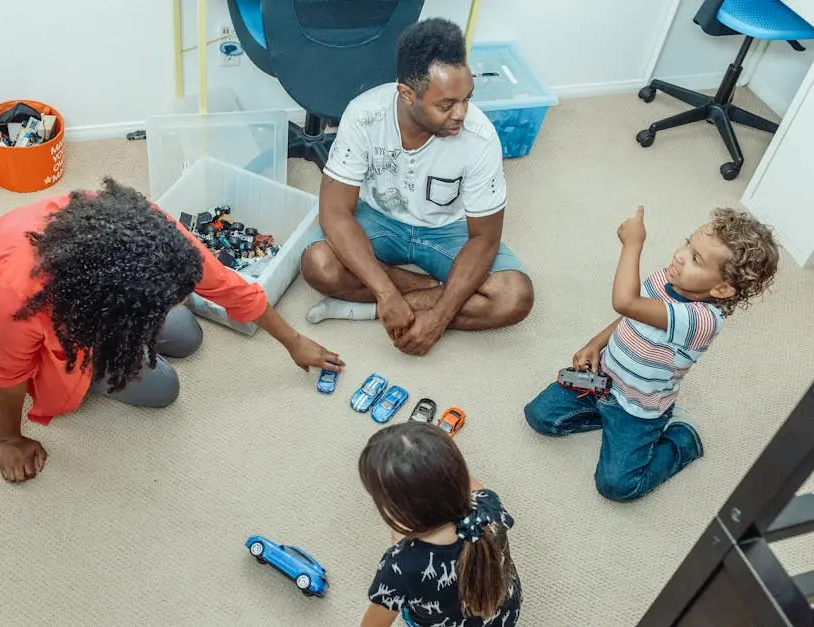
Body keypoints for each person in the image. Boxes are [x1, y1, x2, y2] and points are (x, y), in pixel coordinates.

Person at [0, 178, 344, 484]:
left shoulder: (148, 231)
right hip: (45, 322)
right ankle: (100, 356)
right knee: (163, 388)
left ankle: (127, 336)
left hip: (91, 299)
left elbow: (227, 286)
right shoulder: (19, 299)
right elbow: (8, 372)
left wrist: (293, 342)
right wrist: (8, 438)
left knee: (188, 335)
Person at [300, 18, 533, 356]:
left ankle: (367, 309)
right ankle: (416, 297)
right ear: (407, 94)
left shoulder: (480, 139)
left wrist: (439, 317)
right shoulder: (364, 116)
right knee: (317, 264)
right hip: (379, 220)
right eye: (447, 104)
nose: (462, 114)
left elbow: (485, 237)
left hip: (445, 230)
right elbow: (335, 213)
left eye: (467, 98)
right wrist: (385, 292)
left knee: (514, 297)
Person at [524, 207, 779, 502]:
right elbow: (636, 314)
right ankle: (608, 421)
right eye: (687, 243)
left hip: (638, 408)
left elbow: (626, 302)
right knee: (539, 416)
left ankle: (682, 439)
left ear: (721, 289)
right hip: (603, 379)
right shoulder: (671, 279)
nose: (681, 255)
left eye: (696, 259)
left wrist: (633, 244)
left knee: (617, 486)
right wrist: (597, 342)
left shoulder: (702, 320)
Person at [358, 422, 521, 627]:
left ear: (400, 514)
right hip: (505, 615)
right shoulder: (488, 505)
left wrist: (398, 544)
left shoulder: (399, 566)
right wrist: (439, 459)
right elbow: (468, 484)